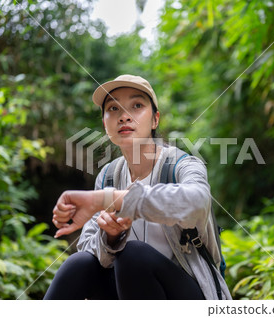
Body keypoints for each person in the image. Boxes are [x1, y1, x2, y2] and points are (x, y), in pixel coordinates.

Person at [44, 74, 232, 300]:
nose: (124, 116)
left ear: (155, 119)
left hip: (189, 296)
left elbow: (197, 201)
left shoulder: (182, 165)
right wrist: (110, 238)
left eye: (137, 105)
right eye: (113, 109)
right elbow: (88, 247)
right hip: (131, 294)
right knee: (78, 263)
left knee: (134, 255)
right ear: (105, 123)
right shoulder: (108, 176)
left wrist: (112, 199)